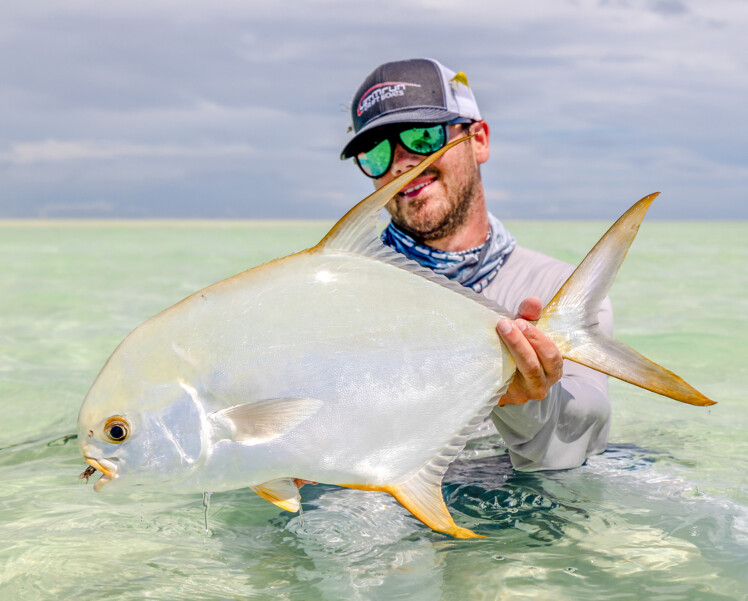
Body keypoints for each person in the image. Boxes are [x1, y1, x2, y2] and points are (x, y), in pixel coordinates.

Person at [339, 58, 613, 471]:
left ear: (478, 139)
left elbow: (583, 437)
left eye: (422, 135)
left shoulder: (555, 288)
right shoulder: (343, 296)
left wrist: (528, 403)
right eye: (375, 152)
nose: (400, 163)